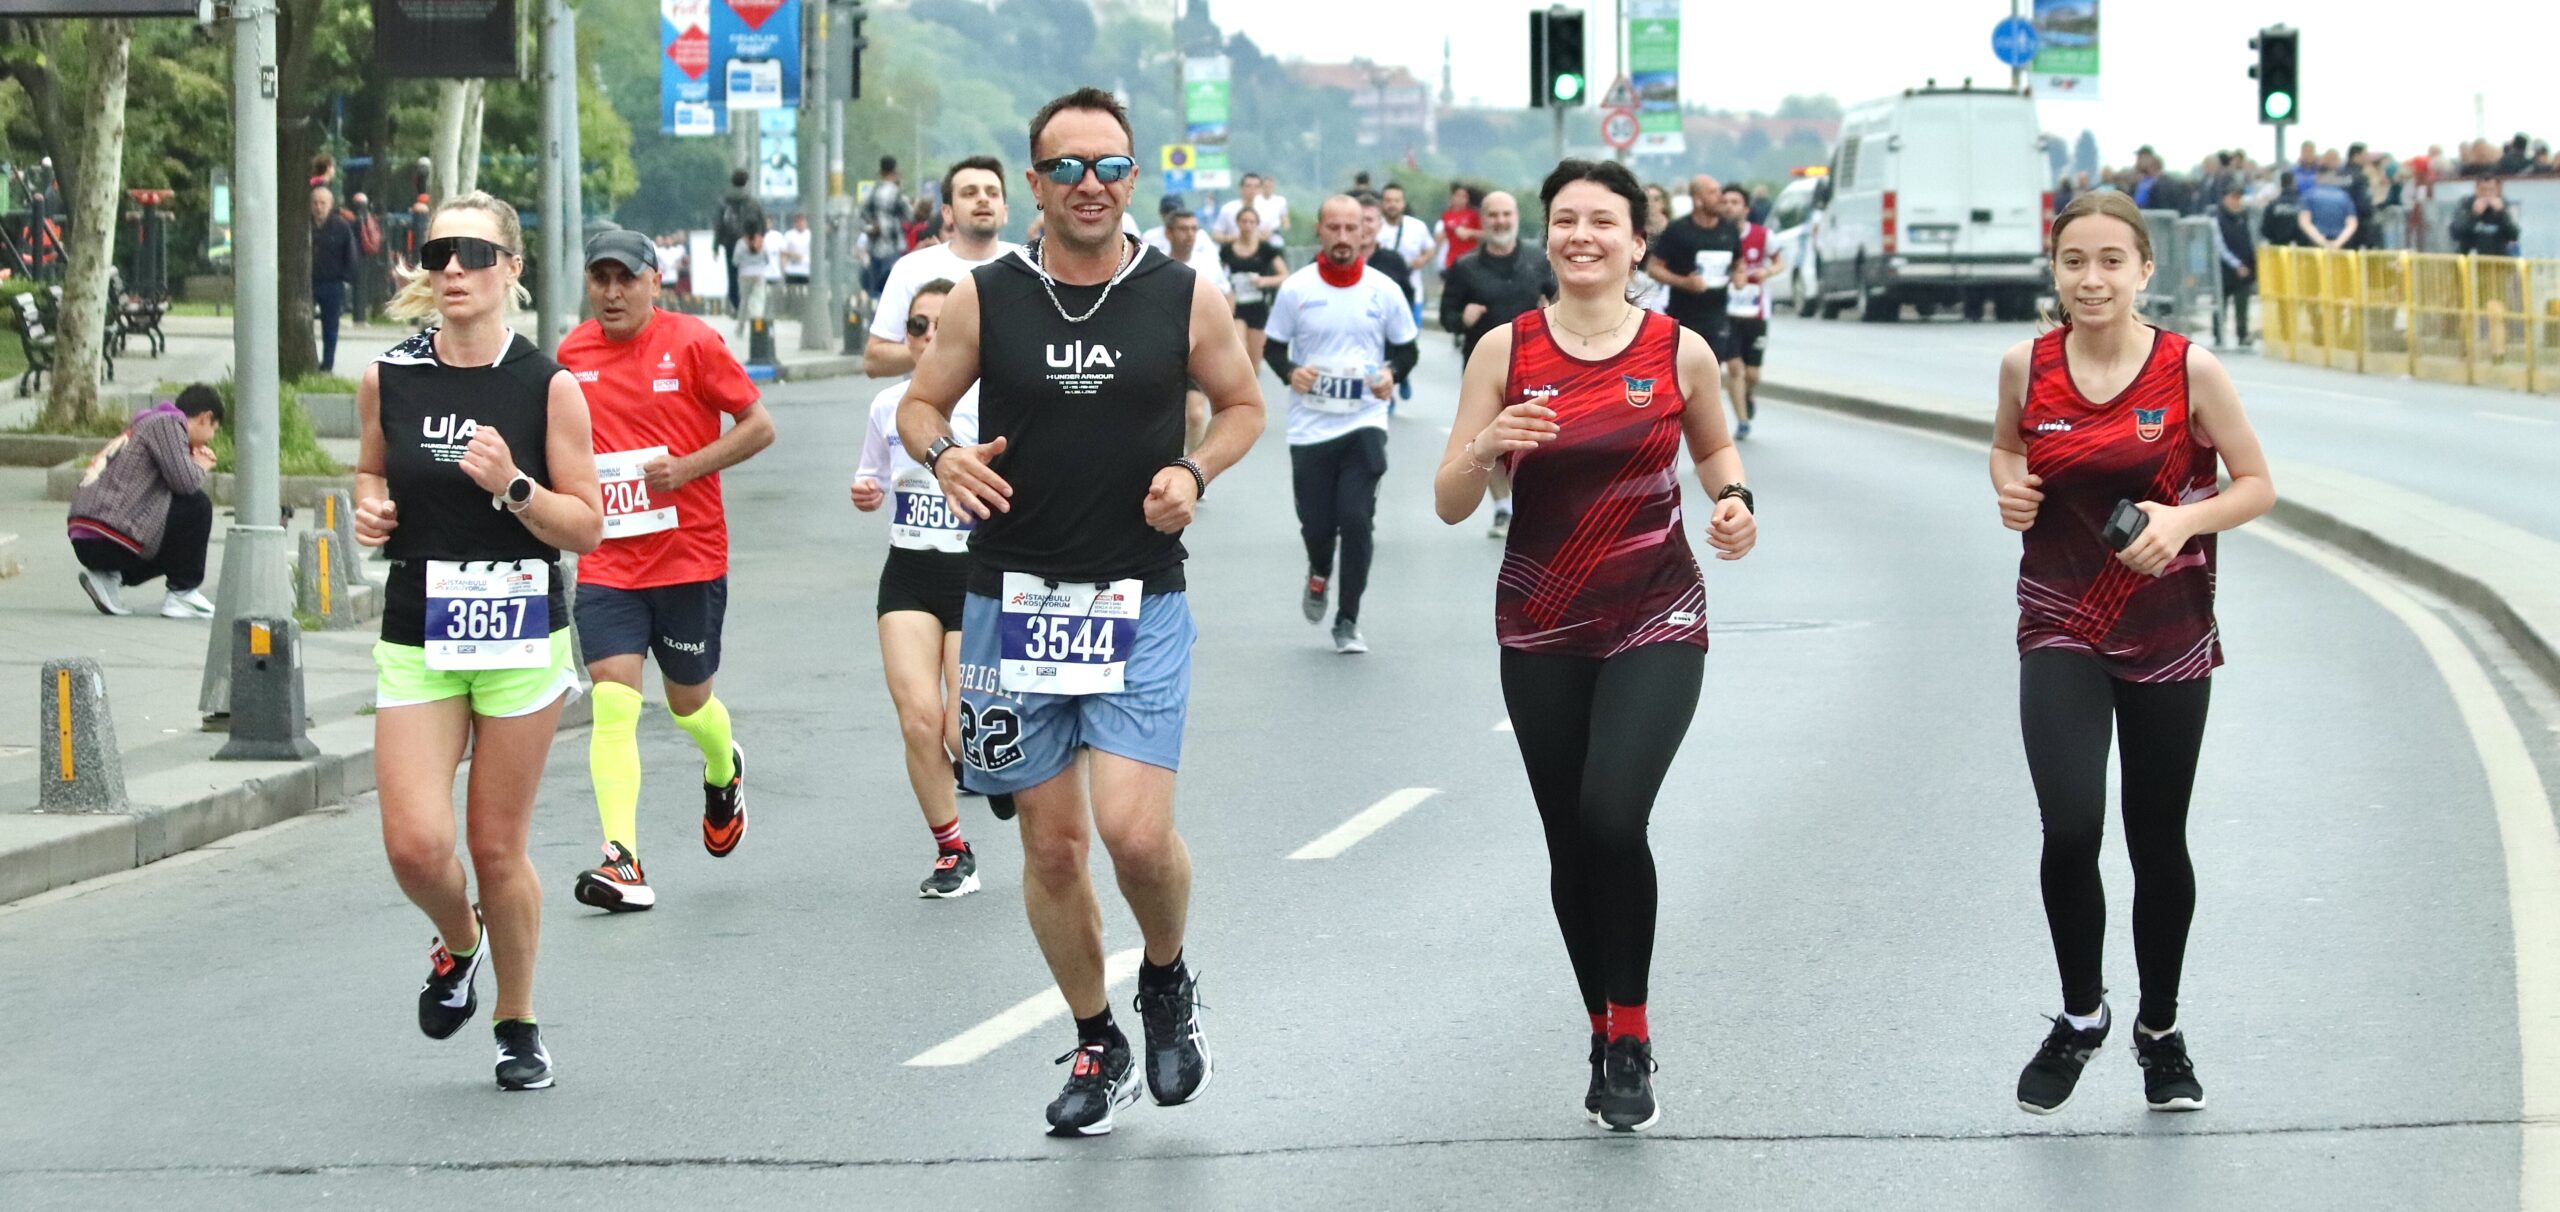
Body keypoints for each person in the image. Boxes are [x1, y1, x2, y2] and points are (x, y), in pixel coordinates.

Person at [895, 87, 1266, 1138]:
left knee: (1135, 836)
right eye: (1066, 168)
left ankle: (1165, 977)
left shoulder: (1181, 294)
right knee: (1052, 850)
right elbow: (922, 403)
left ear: (1132, 178)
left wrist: (1194, 472)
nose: (1089, 185)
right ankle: (1096, 1039)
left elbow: (1243, 405)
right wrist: (943, 453)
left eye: (1108, 167)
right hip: (1009, 604)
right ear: (1034, 183)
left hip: (1137, 598)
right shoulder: (984, 295)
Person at [1431, 158, 1756, 1134]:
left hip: (1656, 612)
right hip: (1540, 622)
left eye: (1601, 221)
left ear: (1635, 242)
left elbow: (1714, 451)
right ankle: (1600, 1025)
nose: (1581, 235)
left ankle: (1635, 1030)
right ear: (1546, 236)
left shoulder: (1677, 349)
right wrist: (1487, 449)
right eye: (1564, 219)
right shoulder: (1504, 350)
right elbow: (1448, 503)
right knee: (1570, 840)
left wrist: (1735, 503)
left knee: (1615, 818)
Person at [1991, 189, 2275, 1118]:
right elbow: (2004, 451)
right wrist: (2008, 489)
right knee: (2071, 827)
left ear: (2144, 269)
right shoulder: (2025, 365)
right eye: (2075, 261)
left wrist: (2185, 518)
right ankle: (2081, 1017)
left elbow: (2260, 485)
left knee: (2157, 838)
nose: (2093, 278)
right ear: (2056, 271)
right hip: (2060, 620)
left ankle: (2160, 1031)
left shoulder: (2189, 369)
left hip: (2167, 628)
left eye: (2112, 261)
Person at [355, 191, 605, 1090]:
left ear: (512, 269)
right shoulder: (390, 378)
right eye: (437, 254)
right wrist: (368, 509)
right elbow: (372, 470)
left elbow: (587, 527)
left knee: (496, 848)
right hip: (419, 630)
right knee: (416, 846)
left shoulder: (548, 385)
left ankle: (518, 1021)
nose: (452, 269)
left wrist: (512, 488)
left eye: (472, 253)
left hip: (519, 637)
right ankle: (460, 943)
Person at [552, 231, 773, 912]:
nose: (613, 292)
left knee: (688, 703)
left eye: (627, 278)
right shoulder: (571, 355)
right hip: (608, 560)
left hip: (688, 558)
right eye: (601, 279)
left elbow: (758, 425)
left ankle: (722, 765)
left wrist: (686, 468)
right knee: (614, 704)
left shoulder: (694, 342)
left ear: (655, 281)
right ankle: (622, 859)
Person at [853, 278, 999, 895]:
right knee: (917, 719)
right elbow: (871, 477)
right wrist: (866, 492)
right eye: (916, 326)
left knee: (959, 733)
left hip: (974, 576)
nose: (928, 336)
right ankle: (951, 850)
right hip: (909, 572)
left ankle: (996, 768)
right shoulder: (888, 405)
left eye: (941, 325)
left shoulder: (992, 402)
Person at [1265, 196, 1421, 655]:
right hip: (1310, 427)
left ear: (1363, 234)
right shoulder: (1296, 289)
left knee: (1355, 520)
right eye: (1333, 228)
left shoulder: (1383, 289)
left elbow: (1407, 349)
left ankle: (1348, 618)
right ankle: (1318, 572)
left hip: (1364, 422)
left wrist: (1392, 374)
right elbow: (1273, 348)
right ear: (1319, 232)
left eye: (1351, 228)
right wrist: (1291, 372)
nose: (1343, 237)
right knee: (1317, 525)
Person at [1437, 190, 1555, 540]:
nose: (1500, 222)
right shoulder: (1464, 268)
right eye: (1493, 216)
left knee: (1533, 441)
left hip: (1536, 365)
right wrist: (1463, 318)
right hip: (1485, 368)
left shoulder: (1539, 260)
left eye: (1506, 215)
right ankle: (1504, 509)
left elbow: (1562, 300)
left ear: (1516, 217)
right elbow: (1447, 317)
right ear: (1482, 221)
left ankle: (1534, 505)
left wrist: (1551, 310)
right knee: (1488, 440)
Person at [68, 385, 222, 618]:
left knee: (175, 530)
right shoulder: (168, 424)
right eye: (214, 430)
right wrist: (200, 466)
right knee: (197, 505)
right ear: (205, 418)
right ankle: (183, 594)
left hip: (90, 534)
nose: (210, 440)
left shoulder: (146, 424)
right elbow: (184, 484)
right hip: (107, 531)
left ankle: (107, 576)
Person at [864, 157, 1022, 379]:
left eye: (992, 193)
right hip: (935, 412)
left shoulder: (1031, 267)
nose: (983, 199)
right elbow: (874, 360)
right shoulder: (913, 268)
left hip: (1011, 413)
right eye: (969, 193)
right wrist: (942, 350)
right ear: (947, 213)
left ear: (1004, 211)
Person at [1645, 175, 1742, 375]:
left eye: (1719, 191)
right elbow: (1654, 268)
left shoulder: (1729, 230)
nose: (1721, 197)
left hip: (1717, 315)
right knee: (1682, 374)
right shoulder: (1678, 230)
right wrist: (1684, 282)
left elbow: (1738, 262)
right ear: (1698, 199)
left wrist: (1740, 275)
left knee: (1711, 372)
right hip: (1684, 317)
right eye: (1713, 192)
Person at [1719, 184, 1777, 439]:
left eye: (1735, 202)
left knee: (1752, 373)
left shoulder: (1763, 235)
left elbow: (1778, 260)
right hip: (1726, 312)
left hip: (1756, 312)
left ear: (1745, 208)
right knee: (1734, 367)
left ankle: (1748, 393)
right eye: (1726, 201)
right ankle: (1743, 422)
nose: (1730, 206)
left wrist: (1768, 271)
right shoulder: (1717, 236)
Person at [1220, 206, 1288, 377]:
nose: (1248, 225)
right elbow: (1218, 276)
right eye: (1244, 221)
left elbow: (1284, 275)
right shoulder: (1227, 250)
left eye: (1252, 222)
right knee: (1239, 349)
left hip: (1258, 305)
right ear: (1238, 223)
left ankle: (1252, 396)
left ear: (1257, 224)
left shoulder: (1266, 249)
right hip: (1237, 306)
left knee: (1254, 361)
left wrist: (1264, 281)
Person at [312, 185, 361, 374]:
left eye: (323, 203)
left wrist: (346, 278)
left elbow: (351, 254)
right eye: (315, 203)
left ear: (330, 205)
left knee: (330, 326)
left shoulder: (340, 226)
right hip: (309, 283)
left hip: (332, 283)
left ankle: (327, 364)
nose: (318, 207)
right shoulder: (305, 226)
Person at [1377, 182, 1437, 327]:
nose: (1393, 205)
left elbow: (1430, 248)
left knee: (1411, 337)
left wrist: (1422, 260)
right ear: (1382, 203)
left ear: (1403, 203)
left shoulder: (1417, 227)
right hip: (1380, 294)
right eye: (1388, 201)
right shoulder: (1374, 227)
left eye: (1397, 200)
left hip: (1412, 291)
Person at [2210, 183, 2256, 346]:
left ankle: (2242, 334)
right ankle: (2218, 334)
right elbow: (2219, 246)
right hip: (2224, 269)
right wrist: (2236, 264)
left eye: (2239, 198)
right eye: (2233, 198)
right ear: (2224, 198)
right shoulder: (2217, 218)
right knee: (2220, 301)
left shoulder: (2242, 216)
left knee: (2242, 303)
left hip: (2244, 267)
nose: (2237, 202)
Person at [714, 170, 766, 316]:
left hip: (730, 243)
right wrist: (760, 239)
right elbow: (762, 223)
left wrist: (715, 246)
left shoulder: (725, 202)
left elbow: (718, 225)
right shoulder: (753, 203)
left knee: (733, 276)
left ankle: (737, 306)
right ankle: (751, 309)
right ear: (747, 182)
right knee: (752, 275)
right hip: (750, 242)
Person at [864, 156, 912, 297]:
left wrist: (871, 228)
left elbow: (860, 219)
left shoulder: (871, 193)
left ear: (881, 171)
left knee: (875, 288)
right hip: (893, 246)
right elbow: (909, 215)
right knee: (891, 287)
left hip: (874, 246)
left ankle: (874, 315)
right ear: (895, 171)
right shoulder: (897, 194)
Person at [2451, 178, 2522, 257]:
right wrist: (2474, 215)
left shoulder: (2504, 205)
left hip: (2498, 260)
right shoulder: (2466, 205)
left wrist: (2502, 213)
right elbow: (2455, 234)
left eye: (2491, 190)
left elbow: (2514, 236)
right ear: (2476, 189)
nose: (2487, 194)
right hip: (2470, 259)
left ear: (2498, 190)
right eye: (2483, 190)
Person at [1635, 185, 1673, 315]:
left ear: (1664, 203)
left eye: (1656, 199)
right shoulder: (1635, 230)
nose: (1651, 204)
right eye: (1647, 200)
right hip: (1639, 285)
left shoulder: (1675, 230)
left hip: (1667, 285)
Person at [732, 228, 774, 336]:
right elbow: (767, 259)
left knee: (744, 302)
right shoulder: (761, 242)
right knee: (758, 303)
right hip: (759, 275)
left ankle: (740, 329)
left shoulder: (741, 243)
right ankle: (757, 329)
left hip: (744, 275)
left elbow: (735, 261)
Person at [1439, 183, 1482, 277]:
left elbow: (1485, 234)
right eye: (1458, 196)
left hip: (1470, 257)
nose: (1460, 199)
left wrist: (1470, 233)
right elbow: (1446, 233)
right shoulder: (1446, 215)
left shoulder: (1473, 215)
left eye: (1464, 197)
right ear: (1452, 197)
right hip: (1451, 258)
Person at [779, 213, 814, 290]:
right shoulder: (789, 235)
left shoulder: (810, 234)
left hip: (807, 270)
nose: (800, 223)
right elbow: (782, 251)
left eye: (802, 221)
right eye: (798, 221)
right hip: (792, 270)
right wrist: (793, 255)